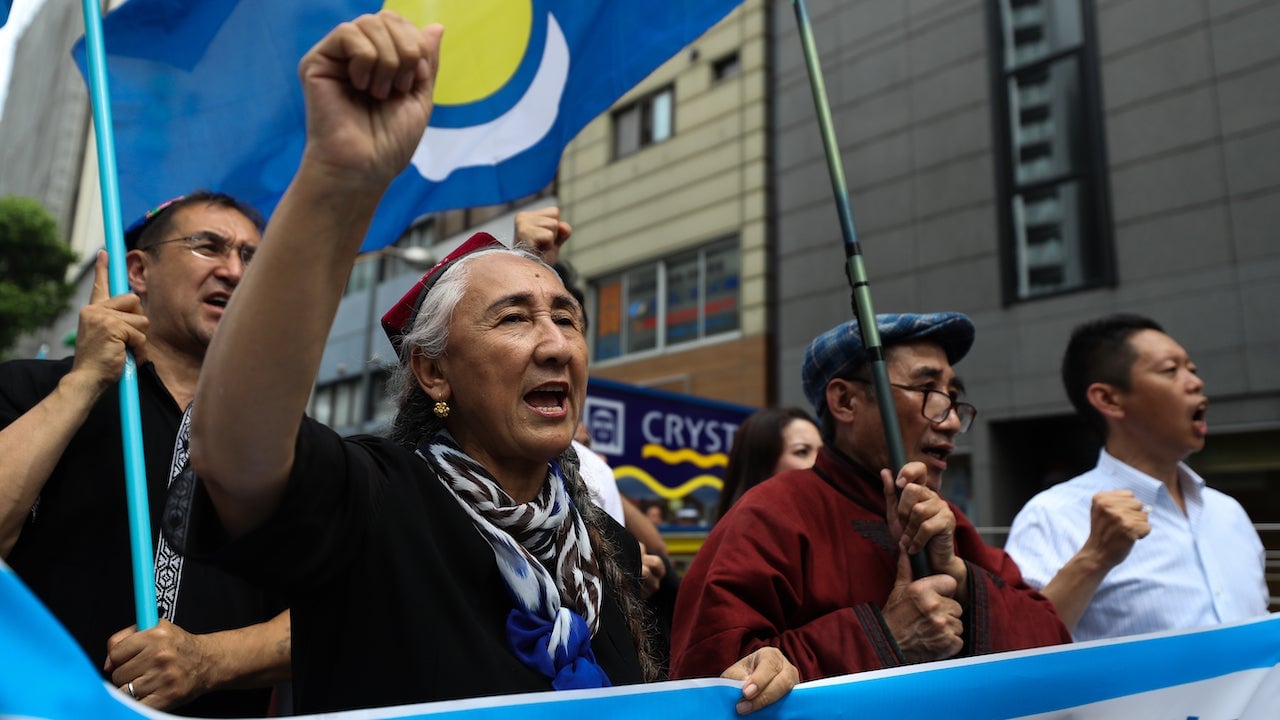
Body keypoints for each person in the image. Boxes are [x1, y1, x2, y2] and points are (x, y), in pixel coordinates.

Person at [172, 12, 796, 714]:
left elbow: (675, 690)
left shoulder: (607, 543)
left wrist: (745, 675)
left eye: (567, 319)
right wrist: (334, 178)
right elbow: (234, 451)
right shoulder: (376, 503)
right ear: (433, 373)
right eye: (513, 319)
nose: (556, 344)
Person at [0, 192, 289, 716]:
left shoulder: (286, 443)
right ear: (139, 270)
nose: (233, 270)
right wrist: (84, 382)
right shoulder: (33, 388)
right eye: (209, 246)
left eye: (251, 257)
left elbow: (332, 613)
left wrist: (209, 660)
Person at [670, 313, 1071, 681]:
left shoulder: (945, 521)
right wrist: (885, 635)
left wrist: (957, 574)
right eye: (928, 390)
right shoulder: (771, 515)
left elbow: (1053, 640)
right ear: (846, 402)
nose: (950, 421)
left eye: (953, 395)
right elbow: (707, 682)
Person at [1004, 313, 1268, 641]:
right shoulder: (1051, 516)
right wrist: (1095, 557)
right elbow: (1020, 651)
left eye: (1192, 369)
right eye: (1170, 370)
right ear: (1109, 399)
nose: (1195, 382)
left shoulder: (1229, 513)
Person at [715, 406, 821, 520]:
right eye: (802, 452)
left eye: (821, 452)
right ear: (762, 463)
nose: (819, 462)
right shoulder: (745, 529)